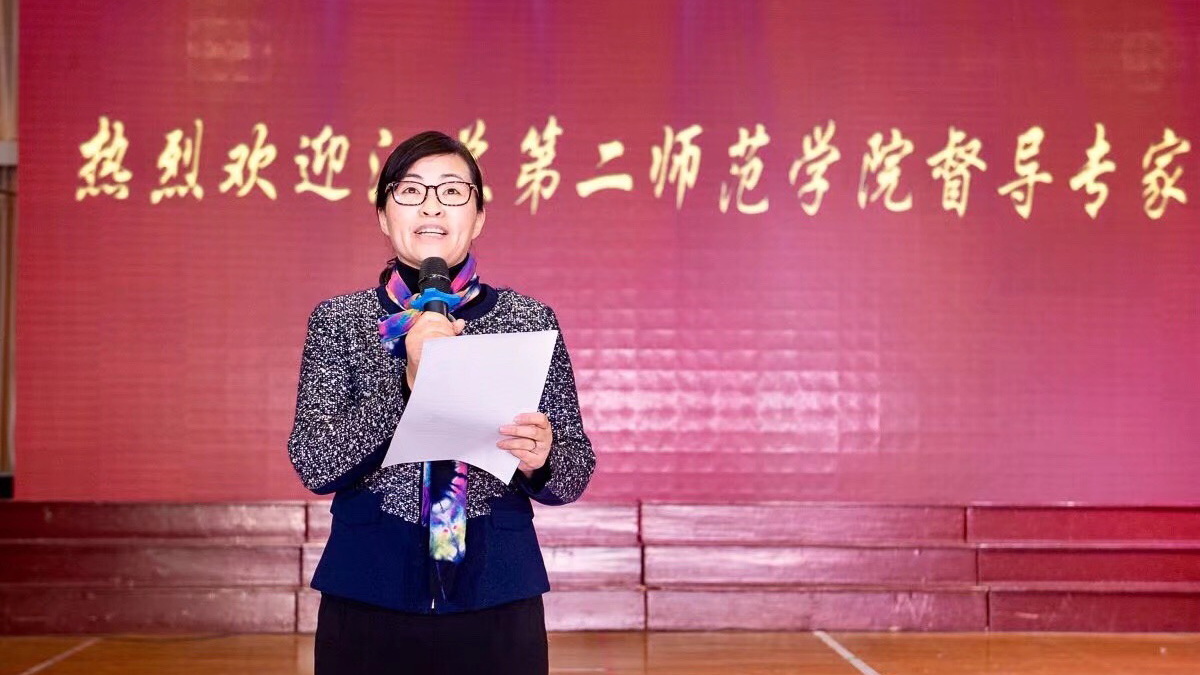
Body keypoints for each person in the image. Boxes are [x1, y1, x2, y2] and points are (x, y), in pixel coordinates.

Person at [288, 130, 595, 674]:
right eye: (410, 191)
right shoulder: (340, 321)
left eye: (452, 191)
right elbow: (315, 461)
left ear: (478, 217)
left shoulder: (527, 320)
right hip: (369, 590)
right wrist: (409, 384)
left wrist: (542, 458)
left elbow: (573, 473)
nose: (431, 206)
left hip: (497, 594)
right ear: (383, 215)